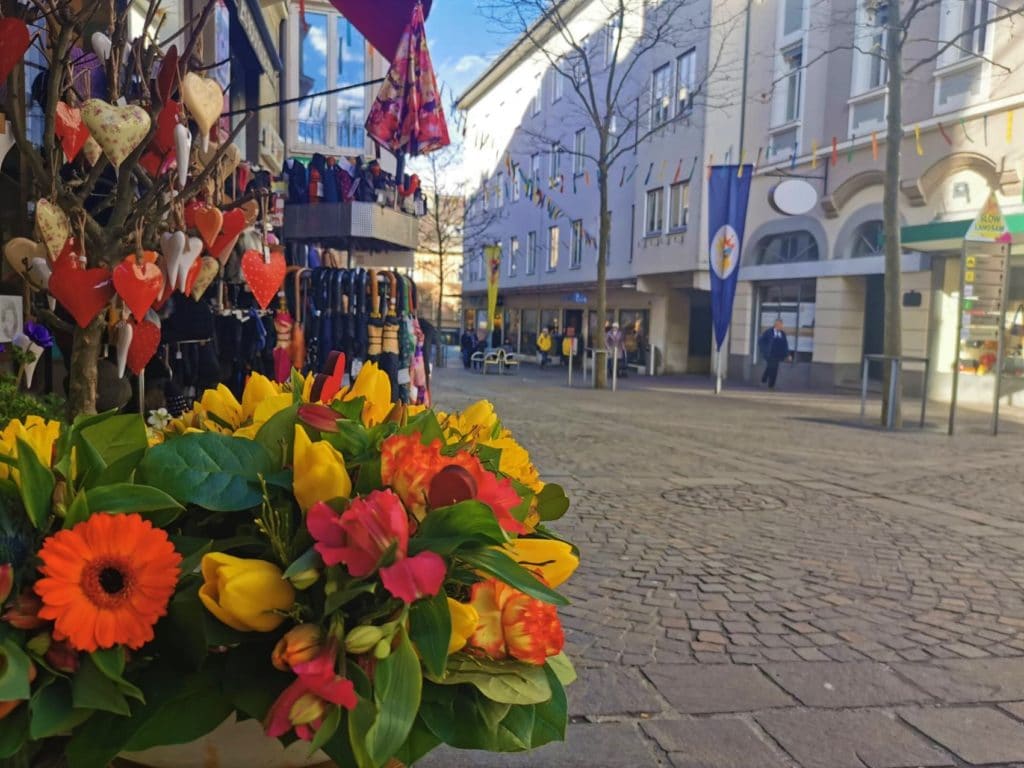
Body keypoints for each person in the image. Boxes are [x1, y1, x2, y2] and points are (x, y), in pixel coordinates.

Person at [759, 318, 791, 389]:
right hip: (770, 354)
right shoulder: (769, 332)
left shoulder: (782, 334)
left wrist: (788, 354)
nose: (781, 327)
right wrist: (764, 350)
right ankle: (771, 385)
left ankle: (764, 379)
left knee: (771, 367)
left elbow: (785, 345)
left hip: (778, 354)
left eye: (782, 325)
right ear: (776, 325)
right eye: (780, 325)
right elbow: (761, 341)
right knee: (773, 368)